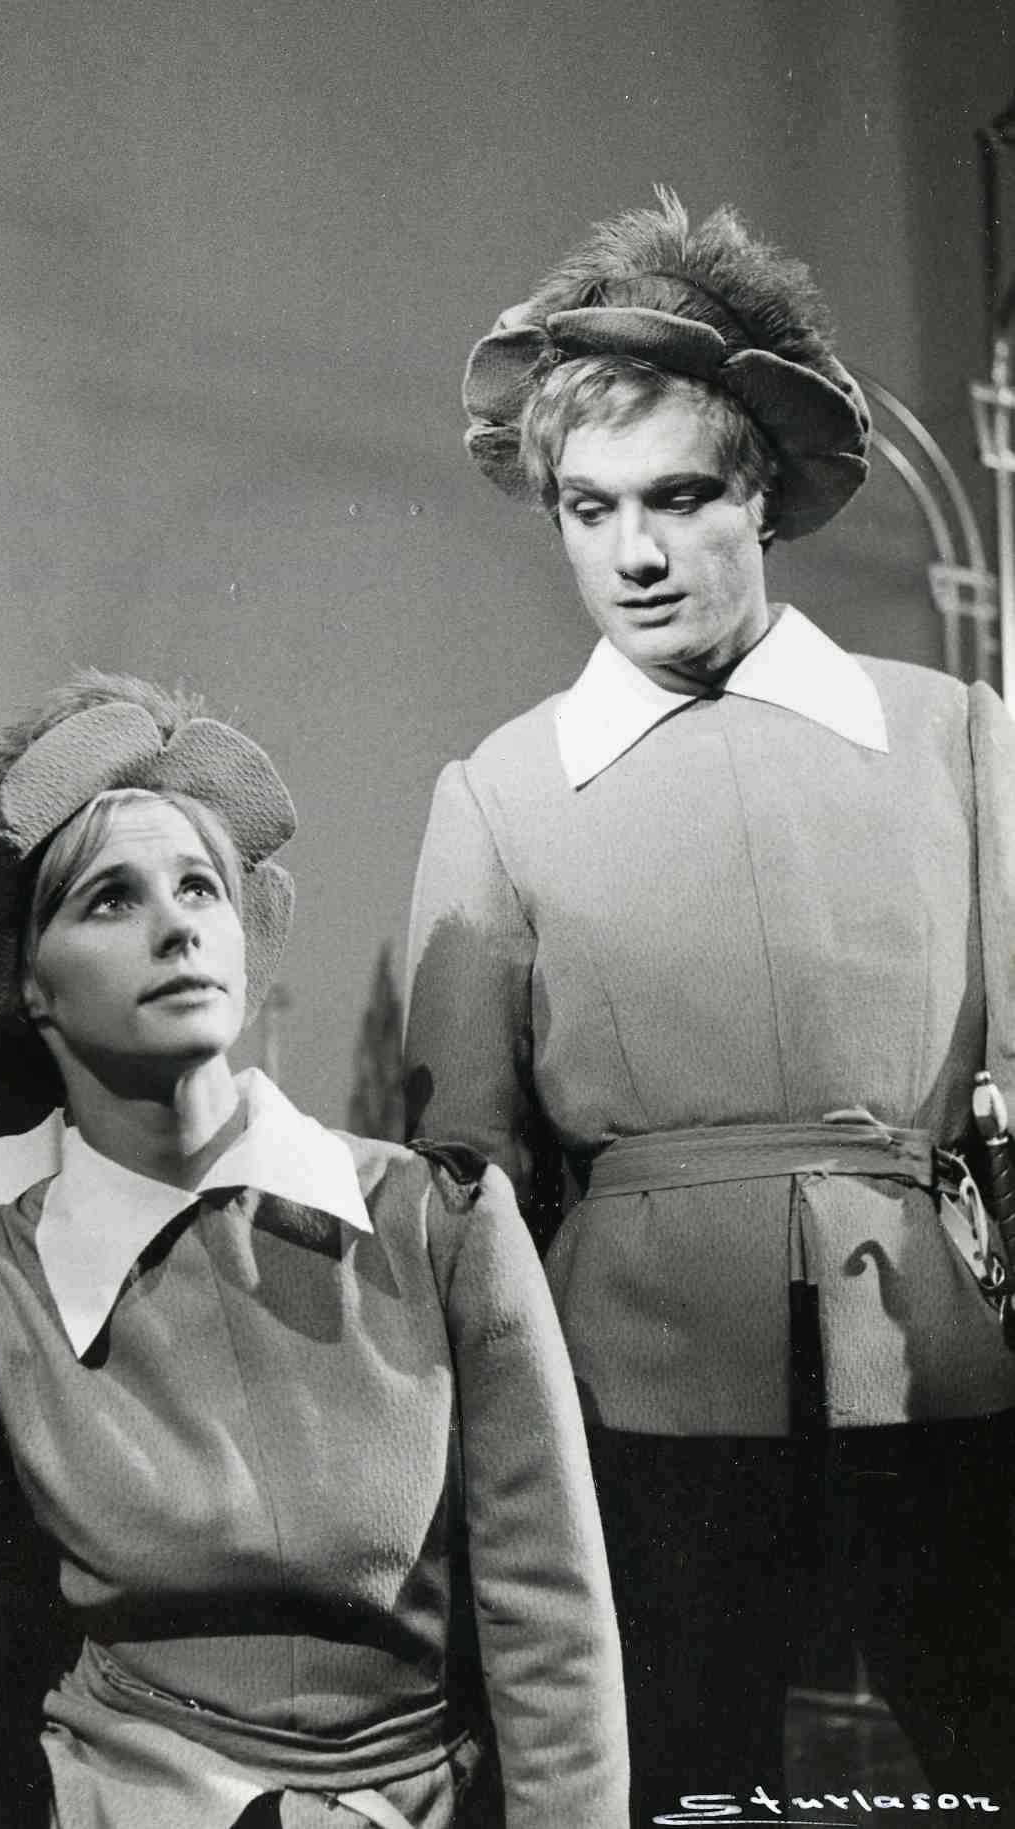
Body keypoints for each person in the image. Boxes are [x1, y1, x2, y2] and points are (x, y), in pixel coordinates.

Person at [0, 670, 628, 1829]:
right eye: (110, 897)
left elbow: (553, 1636)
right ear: (32, 987)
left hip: (403, 1812)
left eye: (199, 884)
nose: (177, 924)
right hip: (102, 1810)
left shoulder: (438, 1219)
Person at [403, 190, 1015, 1821]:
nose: (635, 553)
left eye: (678, 495)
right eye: (587, 507)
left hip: (937, 1367)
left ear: (763, 496)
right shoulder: (499, 790)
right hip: (638, 1391)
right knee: (670, 1787)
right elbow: (463, 1173)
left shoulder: (955, 736)